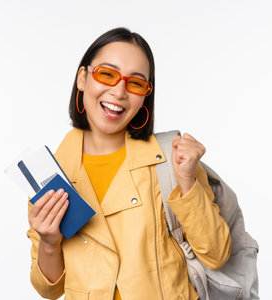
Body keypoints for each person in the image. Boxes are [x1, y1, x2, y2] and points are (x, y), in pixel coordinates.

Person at [26, 27, 232, 300]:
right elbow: (49, 290)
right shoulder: (52, 172)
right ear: (82, 78)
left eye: (135, 83)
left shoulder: (170, 159)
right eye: (107, 74)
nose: (119, 91)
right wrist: (50, 242)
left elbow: (216, 256)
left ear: (145, 95)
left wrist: (186, 182)